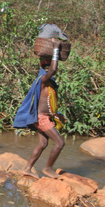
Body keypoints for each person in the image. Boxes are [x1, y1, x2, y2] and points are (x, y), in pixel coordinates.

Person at [13, 39, 66, 179]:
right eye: (53, 66)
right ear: (47, 67)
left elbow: (48, 103)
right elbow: (53, 69)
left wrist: (58, 115)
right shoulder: (42, 79)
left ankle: (27, 168)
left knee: (43, 143)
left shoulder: (49, 83)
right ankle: (48, 168)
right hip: (41, 118)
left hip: (43, 117)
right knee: (60, 143)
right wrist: (55, 49)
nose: (56, 69)